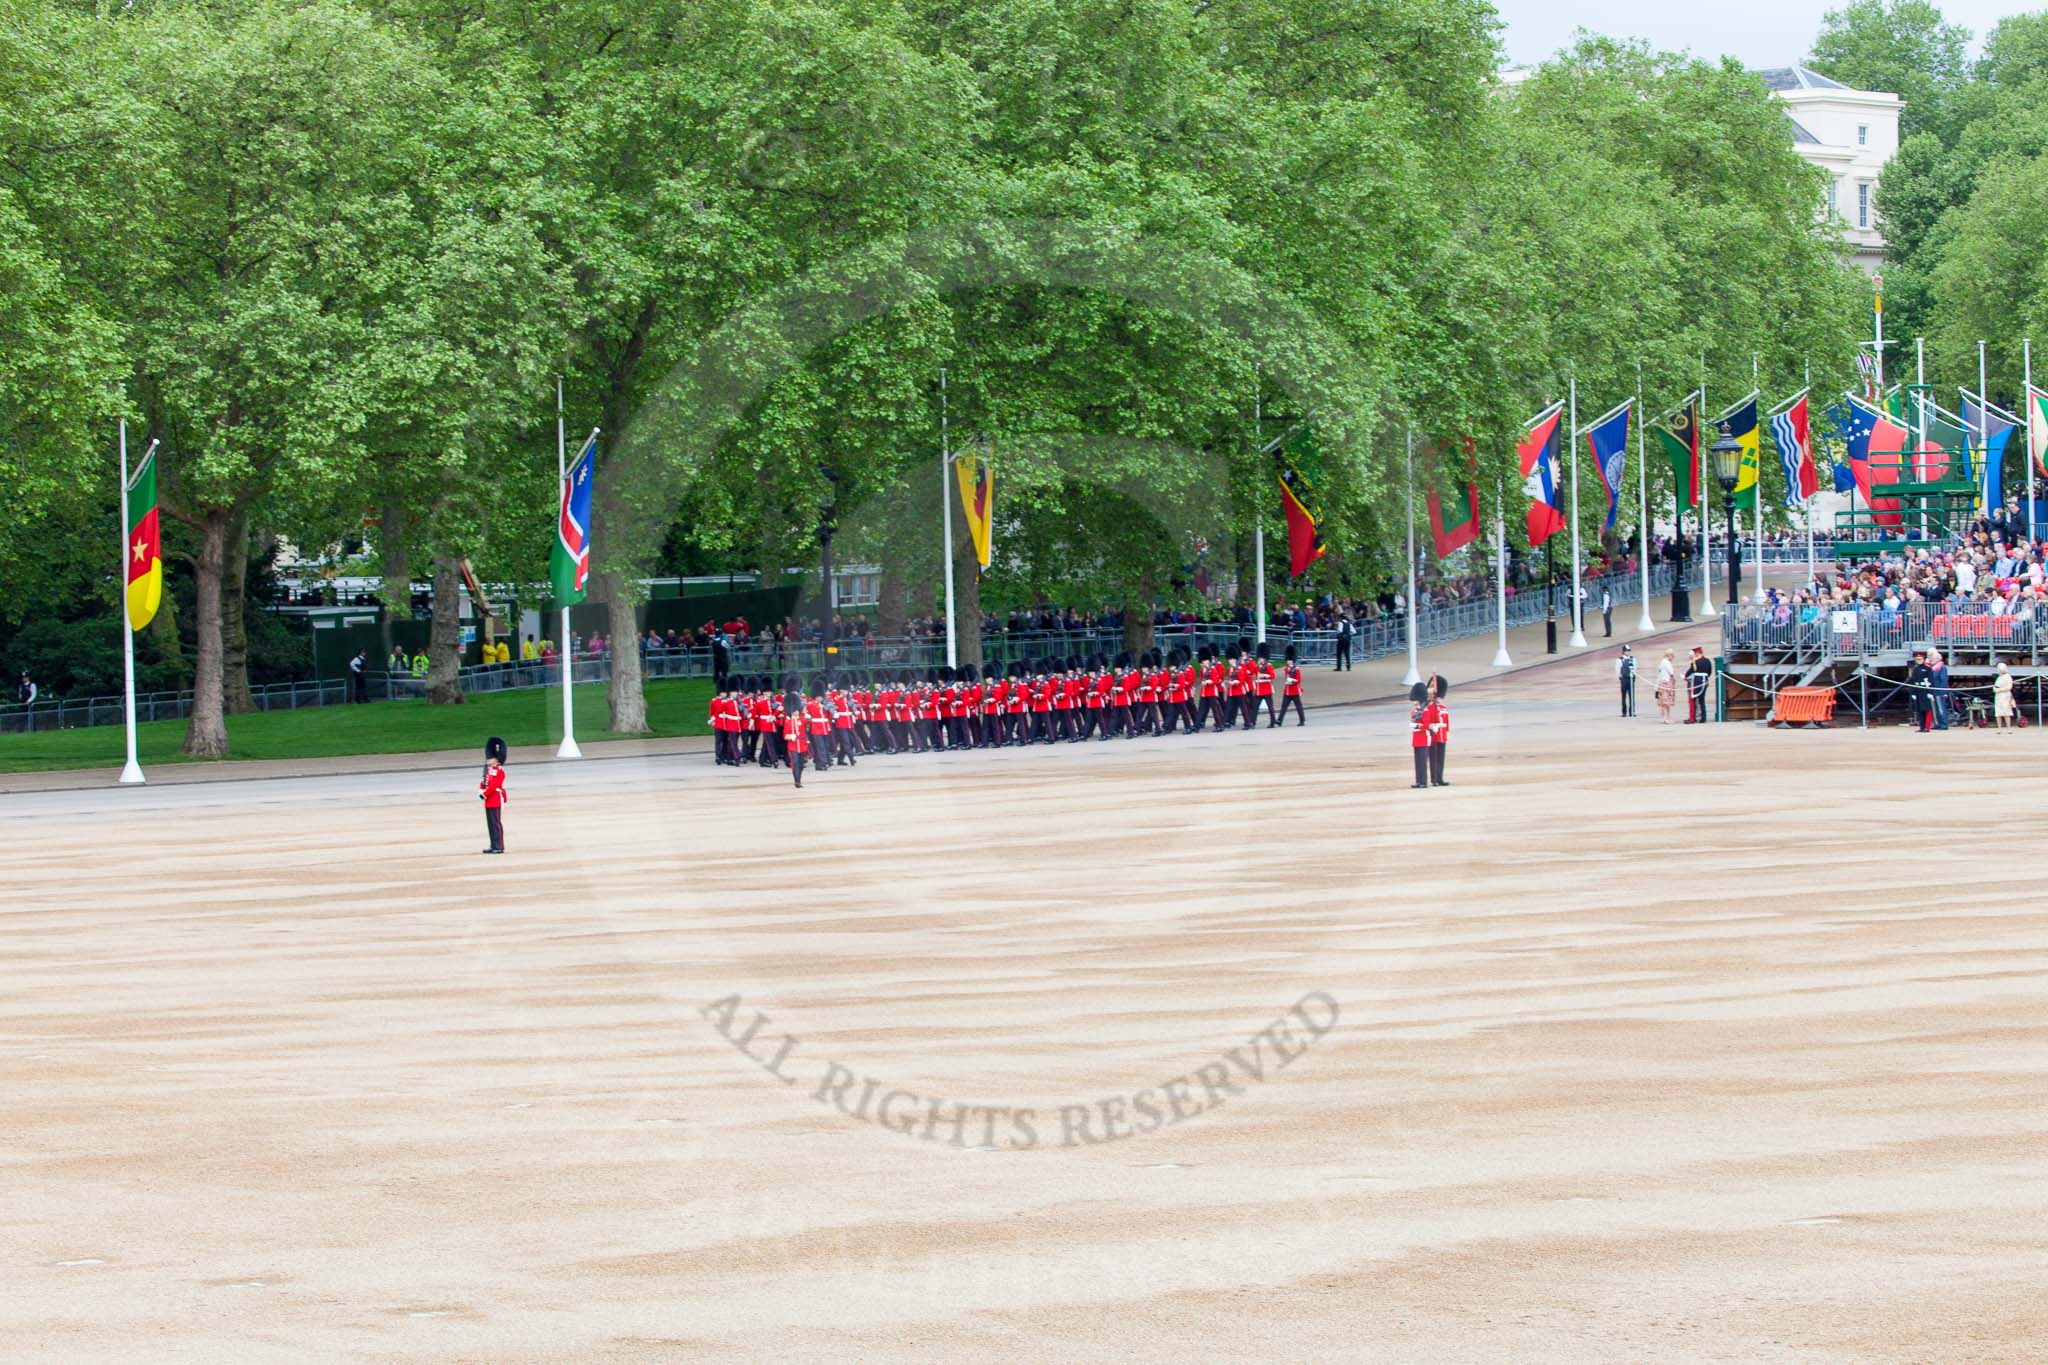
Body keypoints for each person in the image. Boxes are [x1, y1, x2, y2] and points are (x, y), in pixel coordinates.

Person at [478, 754, 508, 854]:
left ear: (496, 760)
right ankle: (493, 845)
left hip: (494, 799)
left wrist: (485, 794)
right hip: (489, 800)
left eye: (491, 759)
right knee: (490, 824)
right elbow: (486, 784)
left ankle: (499, 846)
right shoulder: (489, 771)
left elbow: (494, 785)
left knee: (496, 824)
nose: (488, 760)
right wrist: (482, 787)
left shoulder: (499, 771)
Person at [782, 687, 809, 788]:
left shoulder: (802, 720)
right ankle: (797, 781)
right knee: (795, 763)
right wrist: (790, 736)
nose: (796, 712)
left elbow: (809, 723)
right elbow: (785, 735)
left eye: (797, 710)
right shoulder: (788, 722)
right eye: (794, 711)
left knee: (801, 764)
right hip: (793, 745)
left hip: (802, 745)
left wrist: (807, 715)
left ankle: (799, 779)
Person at [1425, 680, 1450, 786]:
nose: (1439, 699)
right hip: (1433, 736)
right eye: (1438, 697)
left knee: (1440, 759)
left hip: (1442, 736)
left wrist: (1446, 732)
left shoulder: (1444, 708)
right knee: (1433, 759)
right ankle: (1434, 779)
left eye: (1440, 697)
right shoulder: (1430, 708)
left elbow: (1447, 723)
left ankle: (1440, 778)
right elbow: (1427, 721)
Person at [1408, 684, 1431, 789]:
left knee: (1422, 762)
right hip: (1416, 739)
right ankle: (1418, 781)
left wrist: (1417, 725)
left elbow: (1427, 725)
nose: (1414, 701)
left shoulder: (1425, 711)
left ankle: (1423, 782)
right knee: (1417, 762)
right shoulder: (1414, 711)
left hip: (1423, 738)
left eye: (1416, 699)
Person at [1274, 646, 1305, 726]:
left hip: (1295, 690)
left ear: (1293, 660)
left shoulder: (1296, 669)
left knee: (1298, 706)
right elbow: (1286, 677)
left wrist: (1292, 680)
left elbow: (1298, 680)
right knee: (1284, 706)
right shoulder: (1287, 669)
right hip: (1287, 691)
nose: (1289, 661)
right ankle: (1280, 720)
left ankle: (1302, 720)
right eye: (1288, 660)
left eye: (1290, 660)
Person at [1685, 646, 1711, 723]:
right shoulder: (1708, 661)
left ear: (1697, 653)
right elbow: (1709, 672)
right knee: (1702, 700)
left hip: (1697, 681)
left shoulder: (1695, 662)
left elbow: (1691, 670)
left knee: (1693, 700)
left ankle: (1692, 719)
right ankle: (1703, 718)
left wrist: (1685, 676)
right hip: (1705, 680)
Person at [1655, 649, 1677, 724]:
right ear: (1669, 655)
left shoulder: (1662, 662)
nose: (1673, 658)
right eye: (1672, 656)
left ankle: (1667, 717)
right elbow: (1671, 672)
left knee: (1665, 702)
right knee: (1666, 702)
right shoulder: (1666, 663)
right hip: (1666, 683)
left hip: (1662, 683)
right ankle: (1666, 718)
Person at [1616, 644, 1636, 717]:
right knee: (1623, 696)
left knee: (1632, 695)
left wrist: (1633, 676)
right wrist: (1620, 677)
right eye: (1626, 651)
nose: (1628, 652)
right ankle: (1624, 712)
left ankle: (1632, 711)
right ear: (1623, 651)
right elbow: (1618, 670)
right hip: (1624, 679)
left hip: (1630, 678)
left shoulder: (1633, 659)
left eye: (1628, 651)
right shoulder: (1620, 660)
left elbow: (1635, 668)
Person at [1995, 661, 2015, 732]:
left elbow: (2009, 687)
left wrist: (2000, 689)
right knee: (1998, 713)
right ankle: (1999, 729)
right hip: (1998, 696)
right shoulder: (1999, 677)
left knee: (2006, 712)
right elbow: (1995, 686)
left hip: (2005, 696)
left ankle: (2008, 729)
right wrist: (1995, 689)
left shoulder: (2008, 676)